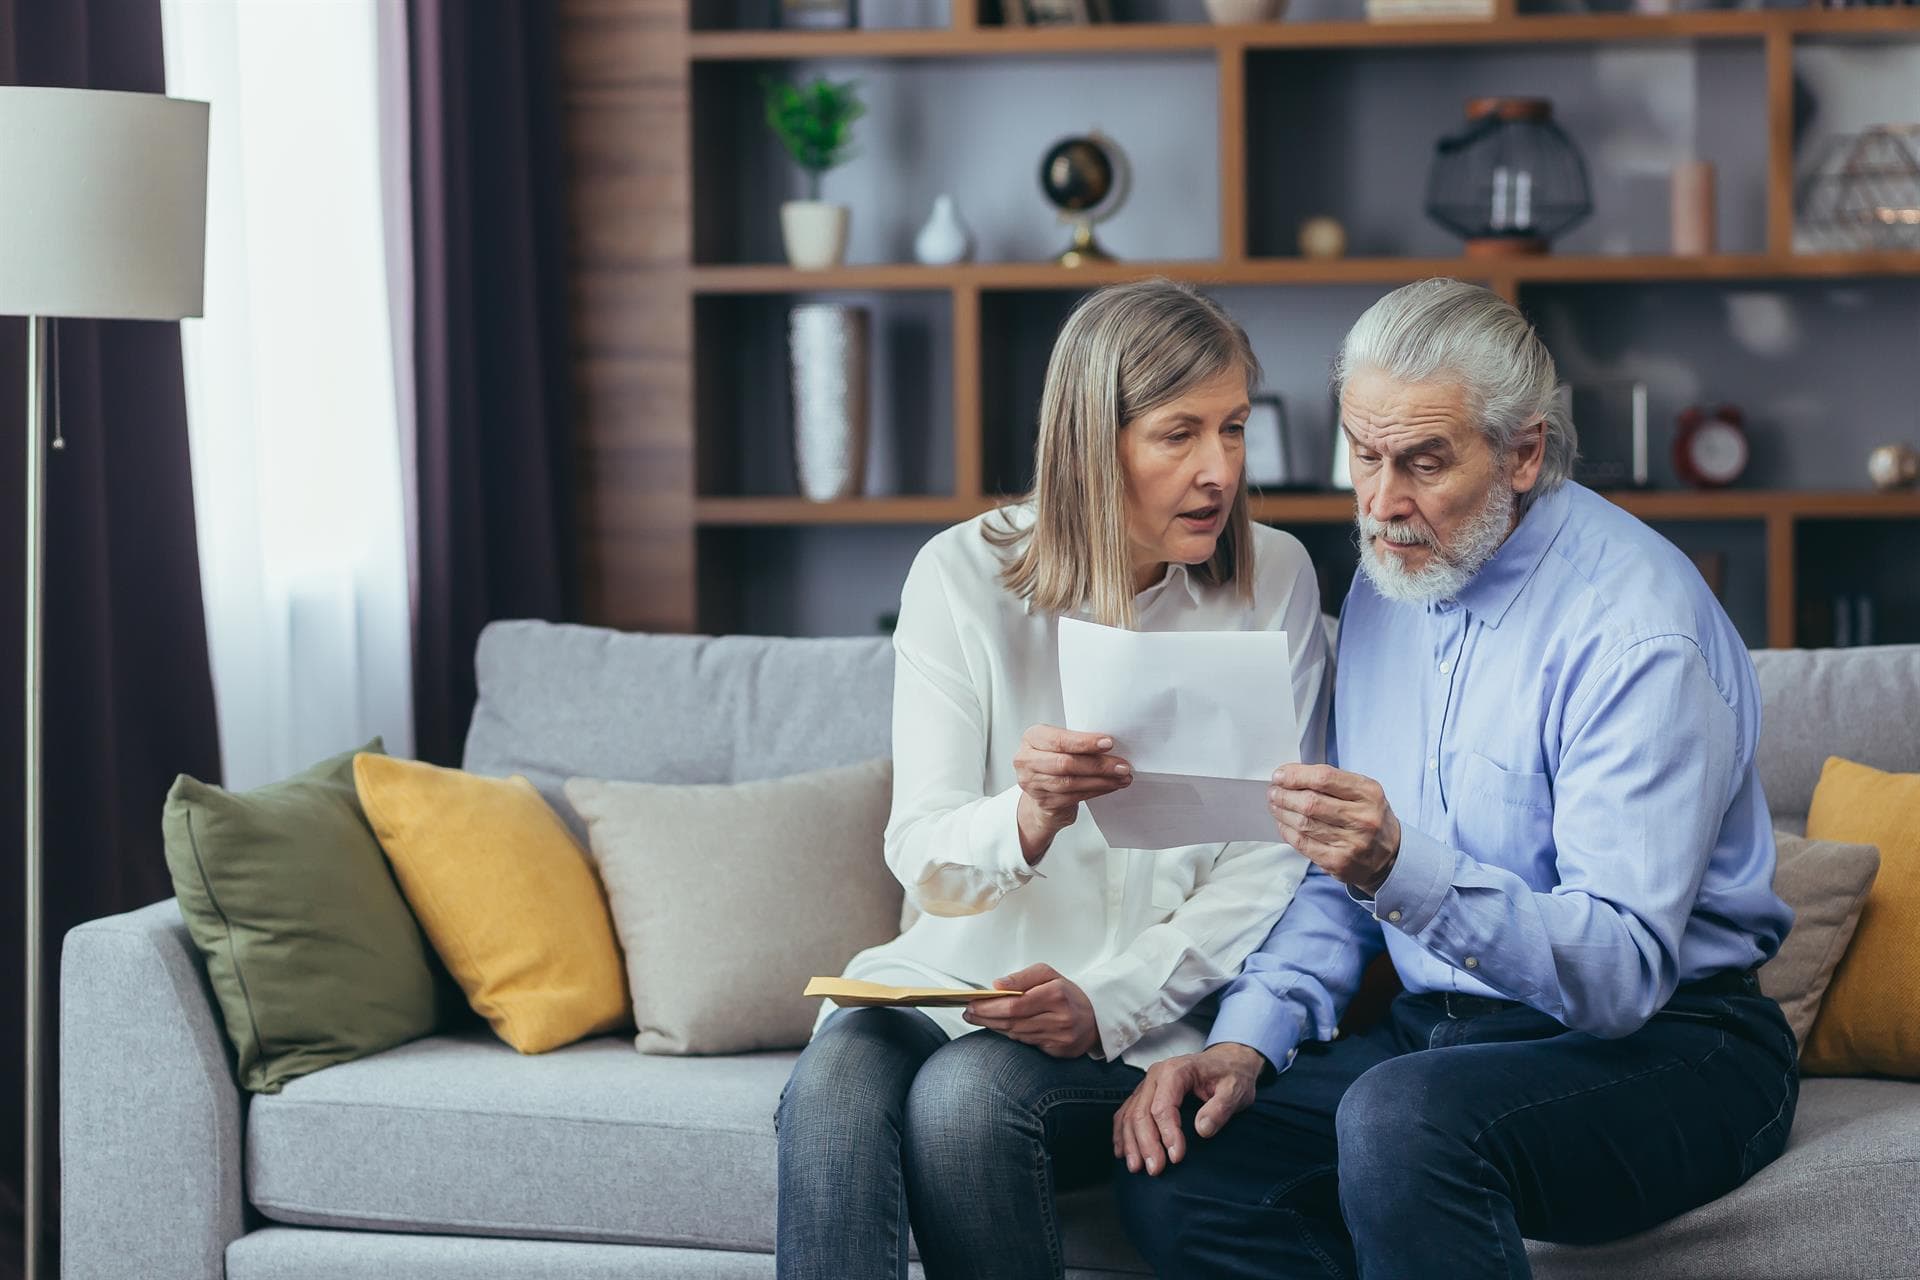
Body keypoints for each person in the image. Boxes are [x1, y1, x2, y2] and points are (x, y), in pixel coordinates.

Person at [1113, 277, 1799, 1280]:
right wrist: (1247, 1041)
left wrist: (1400, 866)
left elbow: (1617, 975)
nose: (1384, 501)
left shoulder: (1636, 630)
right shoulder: (1399, 575)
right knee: (1186, 1169)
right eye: (1364, 453)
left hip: (1674, 1043)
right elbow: (1337, 878)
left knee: (1401, 1120)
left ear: (1522, 452)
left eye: (1425, 461)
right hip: (1442, 1031)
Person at [774, 278, 1332, 1280]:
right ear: (1092, 439)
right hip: (948, 981)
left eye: (1235, 429)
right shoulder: (960, 575)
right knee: (834, 1089)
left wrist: (1104, 998)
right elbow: (925, 859)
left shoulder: (1275, 578)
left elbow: (1269, 858)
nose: (1220, 471)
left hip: (1140, 1018)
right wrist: (1026, 816)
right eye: (1178, 435)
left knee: (963, 1101)